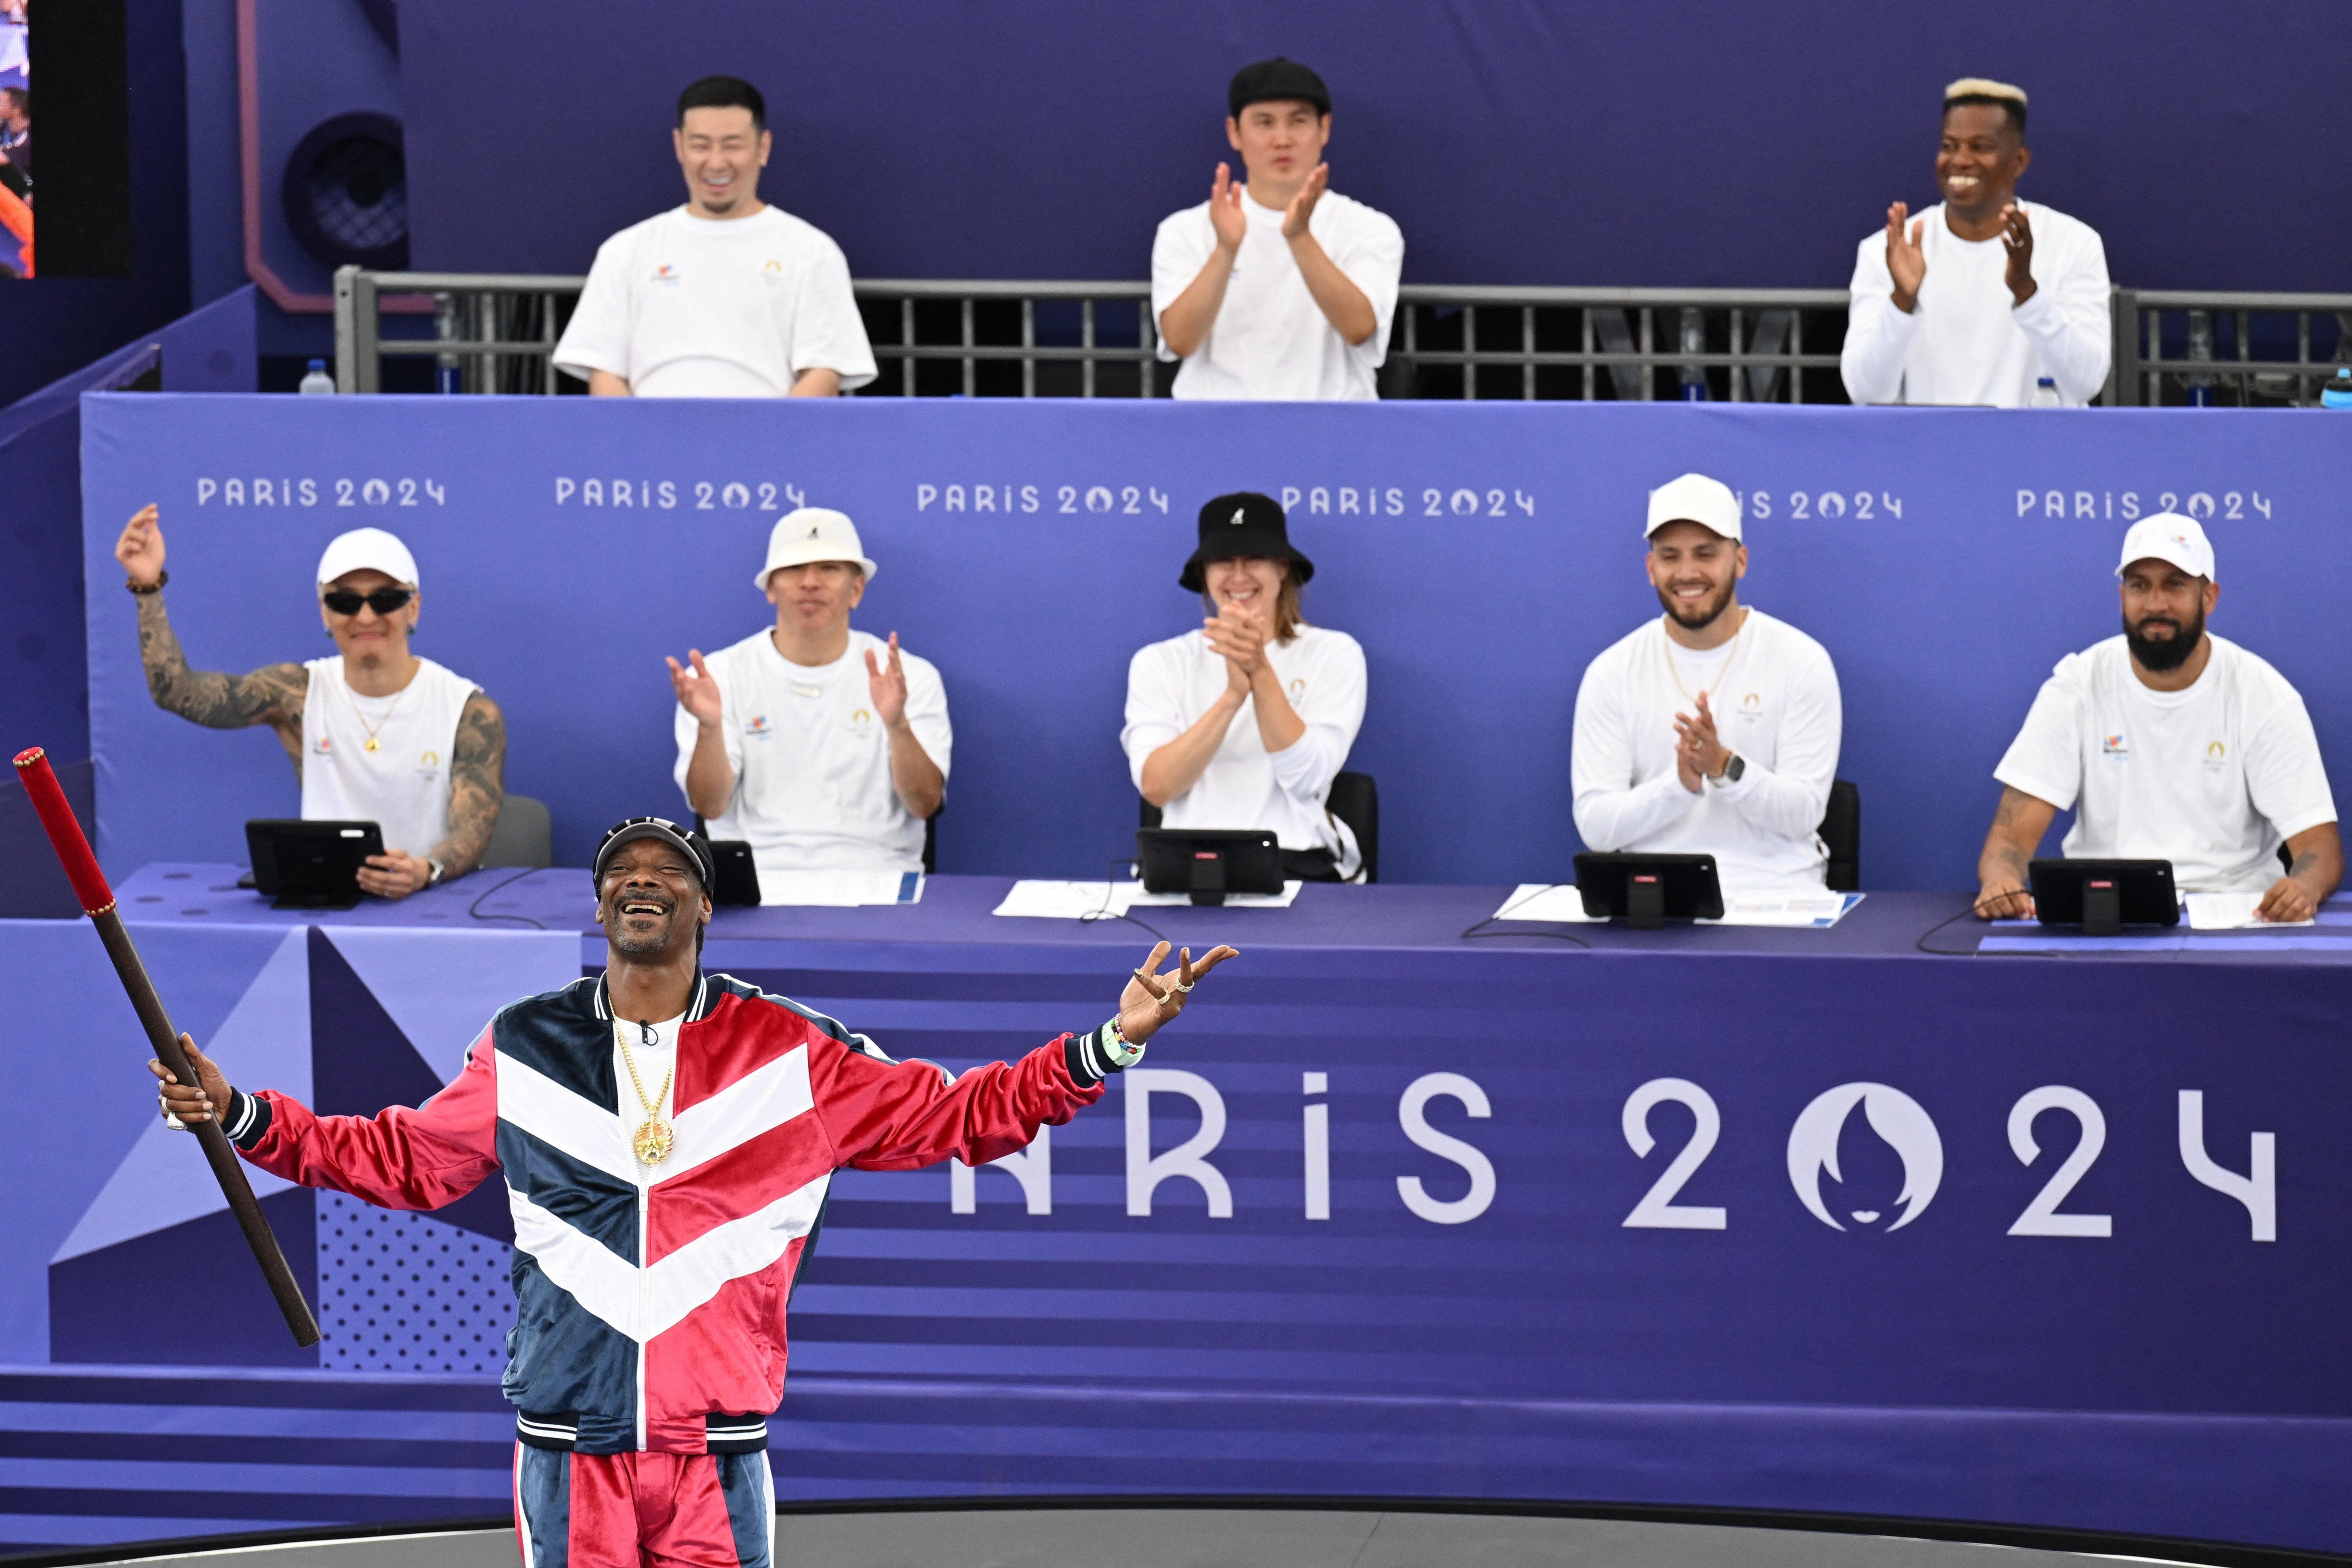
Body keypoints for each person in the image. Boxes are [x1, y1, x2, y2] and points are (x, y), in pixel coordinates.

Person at [150, 815, 1239, 1568]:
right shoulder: (525, 1042)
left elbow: (965, 1113)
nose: (640, 879)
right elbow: (404, 1157)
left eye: (666, 868)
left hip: (714, 1453)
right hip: (568, 1448)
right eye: (620, 867)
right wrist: (243, 1112)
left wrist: (1110, 1042)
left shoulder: (792, 1053)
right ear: (599, 899)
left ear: (704, 903)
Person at [113, 505, 505, 898]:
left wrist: (425, 870)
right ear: (324, 613)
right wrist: (148, 589)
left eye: (386, 599)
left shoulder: (467, 711)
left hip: (431, 907)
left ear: (413, 608)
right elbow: (179, 694)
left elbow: (474, 827)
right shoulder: (296, 693)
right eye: (345, 602)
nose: (366, 617)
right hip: (326, 907)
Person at [1975, 514, 2341, 921]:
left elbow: (2319, 847)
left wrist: (2302, 886)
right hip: (2106, 913)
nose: (2155, 604)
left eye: (2175, 584)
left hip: (2236, 914)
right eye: (2140, 585)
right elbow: (2010, 837)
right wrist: (2001, 879)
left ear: (2210, 597)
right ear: (2122, 597)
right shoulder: (2078, 684)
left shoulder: (2264, 694)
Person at [1571, 474, 1844, 895]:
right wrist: (1678, 785)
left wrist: (1725, 768)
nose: (1687, 573)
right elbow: (1596, 827)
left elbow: (1804, 813)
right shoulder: (1611, 672)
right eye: (1669, 556)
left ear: (1740, 561)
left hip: (1778, 894)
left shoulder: (1802, 661)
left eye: (1705, 553)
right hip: (1653, 898)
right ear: (1650, 568)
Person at [552, 76, 876, 398]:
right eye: (701, 146)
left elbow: (824, 372)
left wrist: (771, 442)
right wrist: (639, 443)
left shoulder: (812, 251)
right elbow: (604, 371)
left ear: (763, 148)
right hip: (650, 440)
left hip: (766, 441)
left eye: (733, 145)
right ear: (679, 147)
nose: (717, 162)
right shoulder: (626, 250)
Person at [667, 508, 946, 873]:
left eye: (829, 568)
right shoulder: (717, 677)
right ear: (770, 587)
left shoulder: (910, 677)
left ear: (857, 588)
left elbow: (924, 805)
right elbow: (710, 806)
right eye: (795, 569)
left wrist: (898, 725)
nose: (810, 582)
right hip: (754, 872)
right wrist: (709, 729)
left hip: (881, 870)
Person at [1124, 492, 1366, 880]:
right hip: (1185, 864)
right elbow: (1158, 787)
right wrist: (1233, 697)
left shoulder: (1333, 653)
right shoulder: (1159, 661)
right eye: (1223, 561)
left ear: (1282, 568)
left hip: (1299, 861)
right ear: (1205, 574)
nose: (1239, 576)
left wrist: (1261, 673)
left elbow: (1308, 780)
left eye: (1254, 559)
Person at [1840, 79, 2110, 408]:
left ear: (2019, 162)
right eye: (1949, 146)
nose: (1961, 160)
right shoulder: (1888, 249)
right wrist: (1901, 301)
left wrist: (2027, 292)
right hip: (1926, 454)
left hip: (2037, 455)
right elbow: (1865, 392)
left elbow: (2087, 383)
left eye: (1980, 147)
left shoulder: (2075, 244)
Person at [1151, 58, 1403, 401]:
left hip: (1332, 431)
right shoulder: (1185, 230)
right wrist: (1225, 251)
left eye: (1298, 122)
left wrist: (1299, 237)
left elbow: (1359, 328)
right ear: (1234, 133)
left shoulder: (1369, 228)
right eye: (1264, 123)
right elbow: (1180, 341)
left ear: (1324, 129)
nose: (1282, 139)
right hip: (1216, 430)